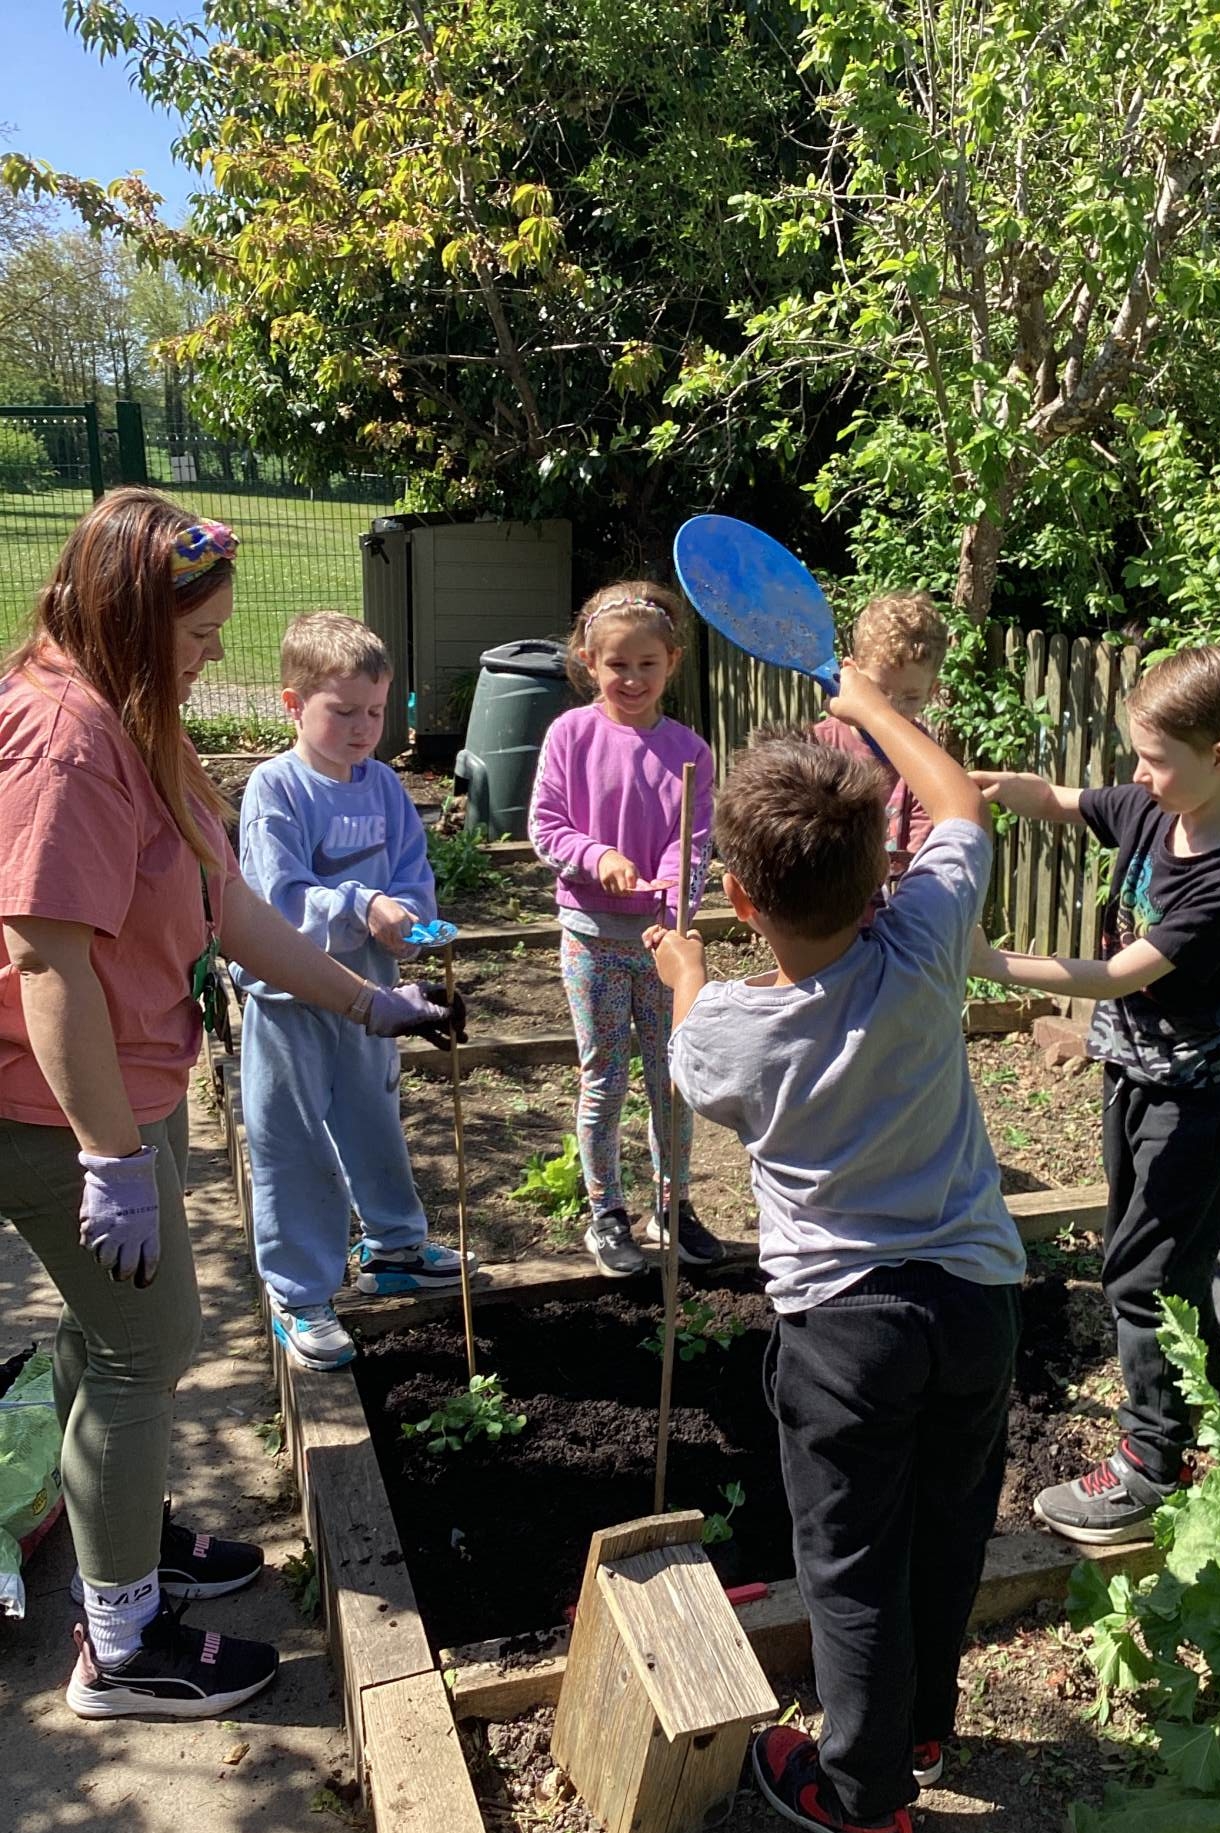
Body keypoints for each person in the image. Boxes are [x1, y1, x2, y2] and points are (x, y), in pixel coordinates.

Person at [0, 488, 461, 1721]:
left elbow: (231, 907)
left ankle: (121, 1531)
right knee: (145, 1346)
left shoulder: (131, 711)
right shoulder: (65, 740)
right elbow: (45, 958)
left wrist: (365, 1004)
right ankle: (121, 1645)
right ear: (128, 617)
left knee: (104, 1333)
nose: (211, 657)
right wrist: (111, 1157)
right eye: (198, 635)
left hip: (128, 1075)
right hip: (53, 1101)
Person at [646, 669, 1024, 1833]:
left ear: (740, 897)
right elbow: (959, 804)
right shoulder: (925, 940)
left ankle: (863, 1798)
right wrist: (867, 705)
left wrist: (685, 974)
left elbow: (696, 1057)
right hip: (976, 1304)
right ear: (880, 880)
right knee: (948, 1528)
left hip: (846, 1333)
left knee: (851, 1561)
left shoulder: (724, 1030)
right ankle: (919, 1735)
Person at [970, 641, 1220, 1543]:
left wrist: (984, 960)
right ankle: (1214, 1386)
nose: (1136, 776)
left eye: (1153, 758)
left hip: (1198, 1103)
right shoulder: (1156, 806)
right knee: (1161, 1258)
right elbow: (1060, 800)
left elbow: (1115, 975)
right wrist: (992, 790)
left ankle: (1151, 1468)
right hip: (1139, 1076)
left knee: (1142, 1278)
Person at [232, 612, 473, 1373]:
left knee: (375, 1121)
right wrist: (363, 907)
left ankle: (394, 1248)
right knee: (292, 1142)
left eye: (376, 711)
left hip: (372, 998)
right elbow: (278, 904)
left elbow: (412, 878)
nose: (363, 729)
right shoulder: (276, 789)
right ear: (292, 703)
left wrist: (412, 927)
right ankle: (300, 1292)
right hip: (290, 1006)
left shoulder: (386, 788)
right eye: (342, 712)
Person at [528, 582, 723, 1278]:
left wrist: (672, 896)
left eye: (647, 664)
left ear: (672, 662)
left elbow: (692, 842)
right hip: (591, 940)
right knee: (605, 1077)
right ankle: (605, 1210)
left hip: (662, 946)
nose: (632, 679)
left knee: (674, 1079)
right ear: (589, 662)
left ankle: (673, 1203)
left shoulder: (689, 751)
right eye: (617, 665)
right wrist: (597, 857)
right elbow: (546, 825)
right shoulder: (570, 736)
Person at [813, 591, 947, 894]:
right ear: (850, 673)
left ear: (931, 691)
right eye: (880, 691)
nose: (892, 708)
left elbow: (923, 841)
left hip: (893, 901)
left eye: (911, 697)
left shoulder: (924, 757)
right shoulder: (817, 744)